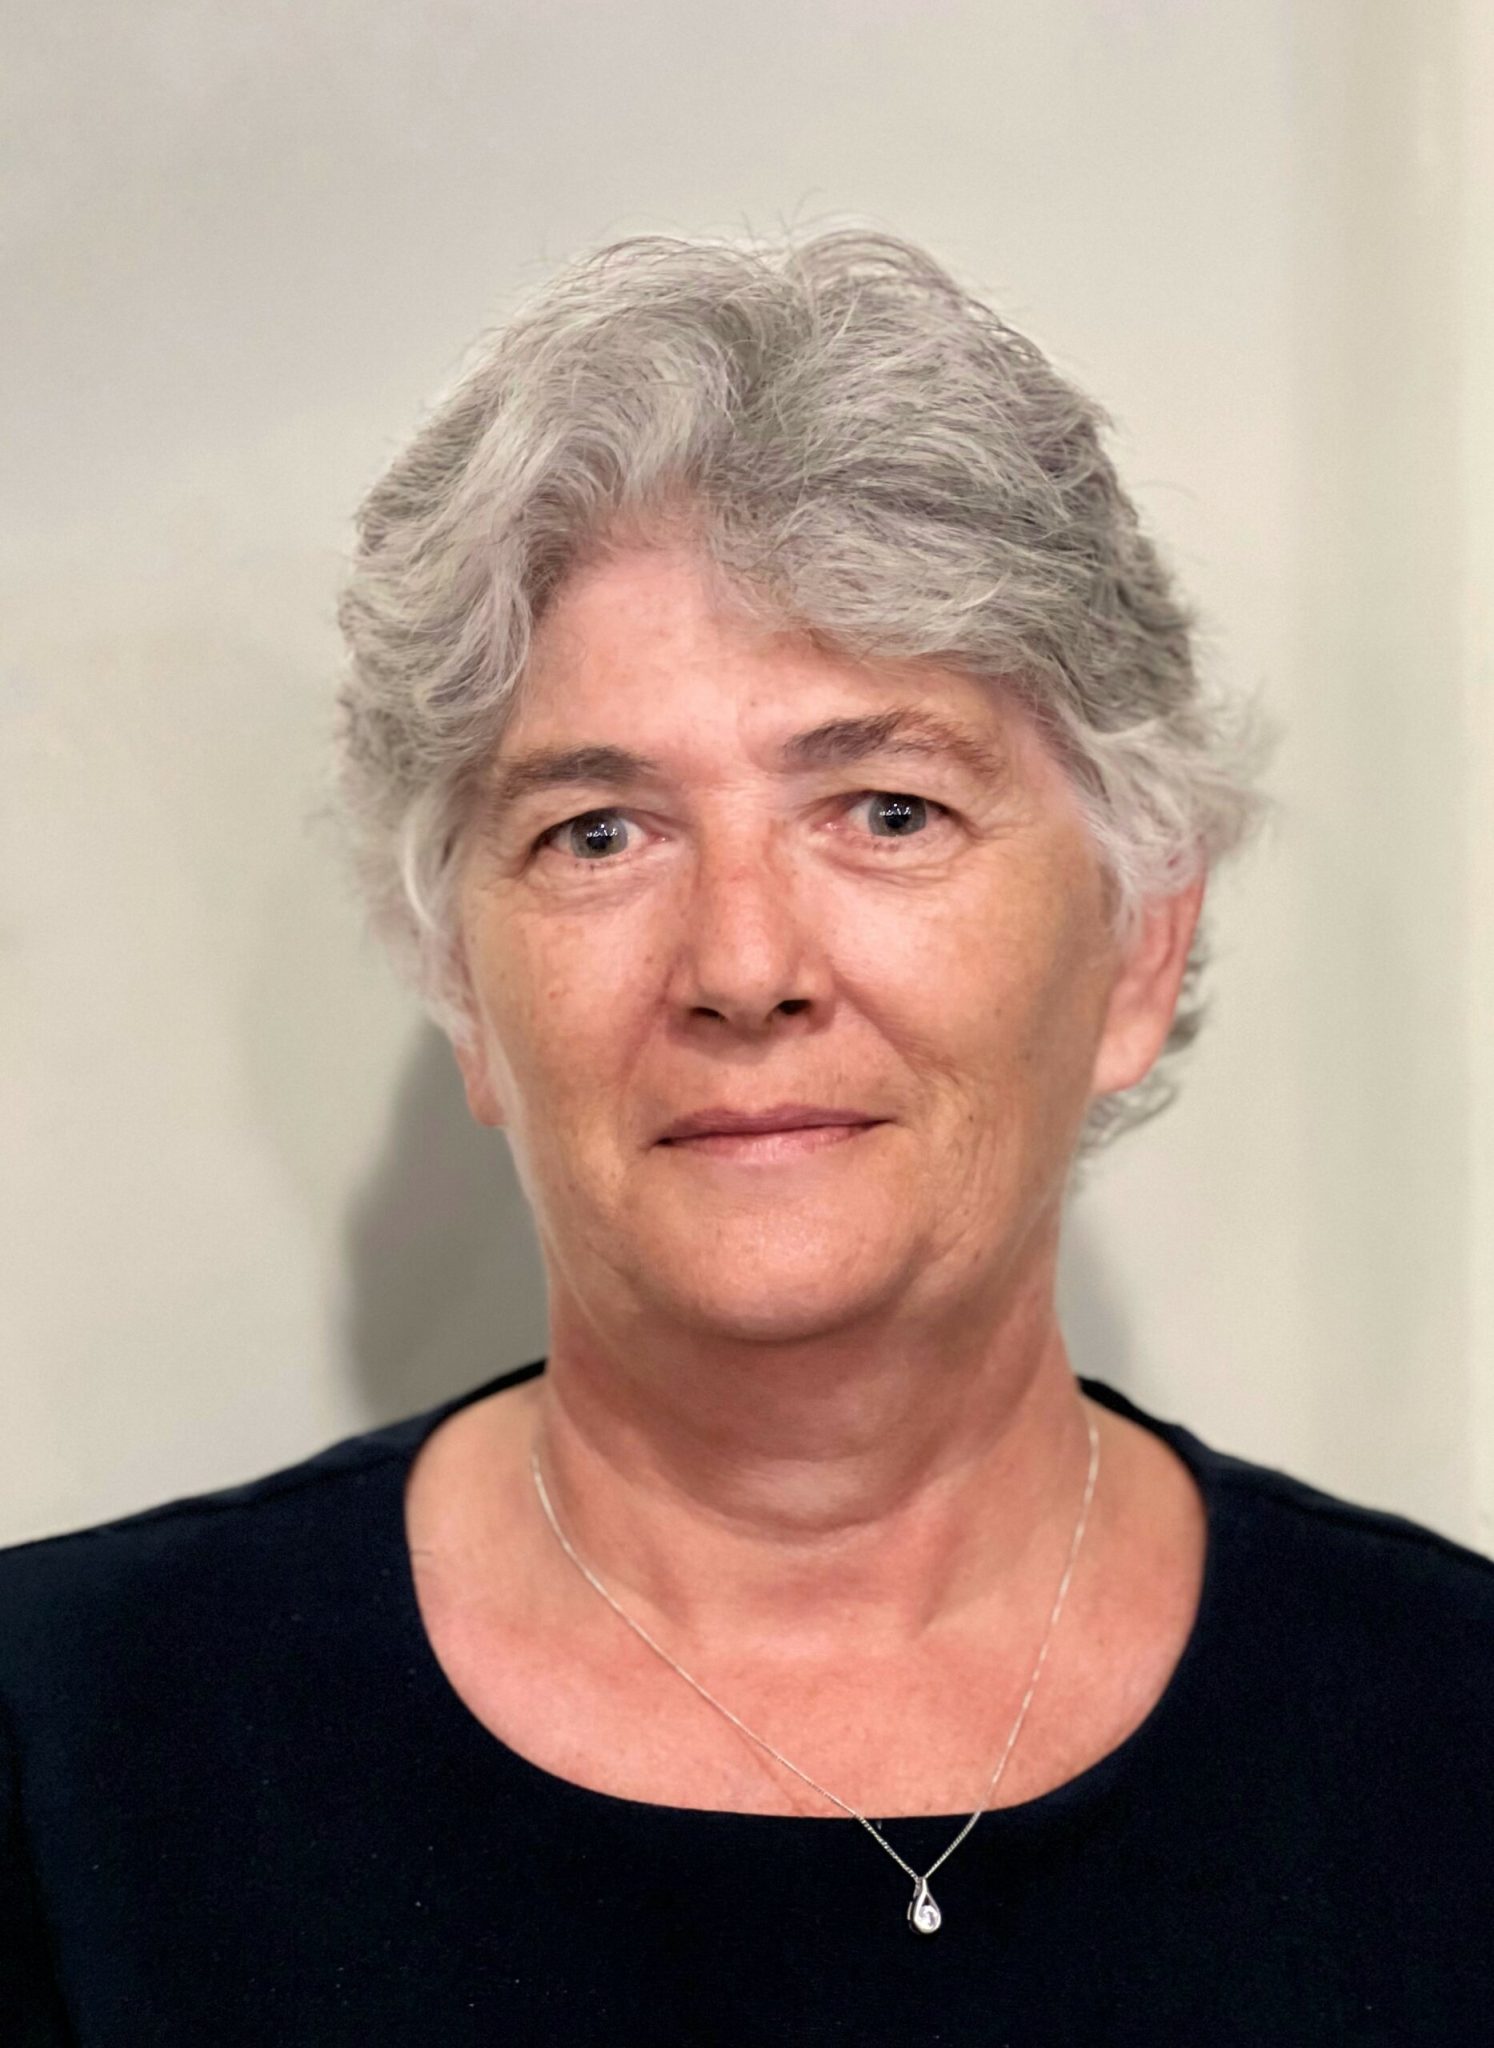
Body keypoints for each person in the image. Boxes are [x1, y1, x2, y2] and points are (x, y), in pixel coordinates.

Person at [3, 228, 1491, 2046]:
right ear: (465, 993)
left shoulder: (1453, 1740)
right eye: (598, 833)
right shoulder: (64, 1757)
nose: (740, 966)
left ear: (1135, 946)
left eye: (886, 808)